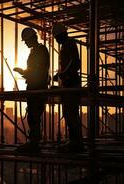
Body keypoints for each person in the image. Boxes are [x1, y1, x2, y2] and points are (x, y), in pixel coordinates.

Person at [13, 27, 50, 152]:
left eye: (26, 41)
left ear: (32, 38)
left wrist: (24, 72)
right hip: (34, 87)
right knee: (32, 115)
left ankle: (34, 143)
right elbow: (35, 70)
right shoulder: (35, 51)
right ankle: (34, 141)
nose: (26, 43)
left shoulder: (41, 50)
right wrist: (24, 73)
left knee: (34, 115)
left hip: (38, 88)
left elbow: (39, 71)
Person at [52, 23, 84, 153]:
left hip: (71, 84)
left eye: (56, 37)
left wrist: (64, 74)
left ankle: (76, 143)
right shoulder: (66, 45)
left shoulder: (69, 44)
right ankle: (75, 142)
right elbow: (69, 64)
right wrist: (59, 75)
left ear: (61, 35)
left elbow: (75, 62)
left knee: (70, 113)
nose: (55, 40)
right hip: (68, 83)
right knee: (69, 113)